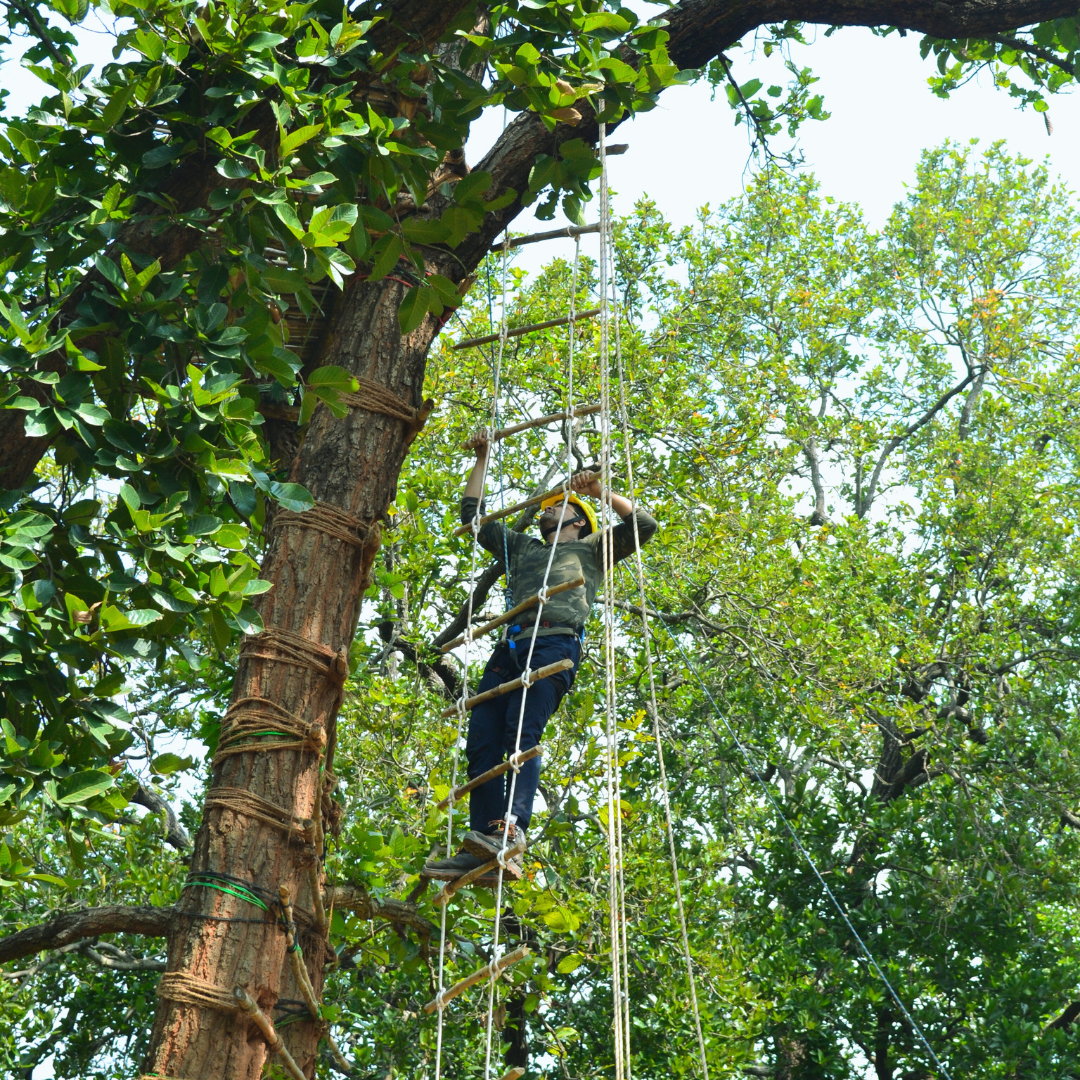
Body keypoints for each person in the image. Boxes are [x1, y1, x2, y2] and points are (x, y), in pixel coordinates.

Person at [424, 429, 657, 884]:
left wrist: (599, 491)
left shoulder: (591, 548)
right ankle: (483, 840)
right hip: (510, 646)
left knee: (521, 733)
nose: (549, 506)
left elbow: (643, 526)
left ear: (578, 521)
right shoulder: (524, 549)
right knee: (484, 741)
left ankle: (512, 832)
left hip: (554, 641)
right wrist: (483, 457)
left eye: (559, 505)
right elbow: (473, 518)